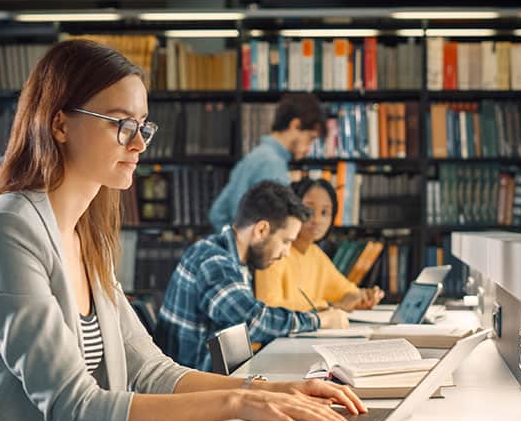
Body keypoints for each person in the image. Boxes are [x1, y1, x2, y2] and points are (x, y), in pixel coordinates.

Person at [0, 40, 365, 421]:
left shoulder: (87, 235)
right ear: (60, 124)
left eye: (143, 126)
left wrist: (268, 390)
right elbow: (74, 406)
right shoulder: (7, 231)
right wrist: (239, 402)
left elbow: (151, 371)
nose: (138, 143)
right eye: (122, 124)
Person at [158, 180, 350, 372]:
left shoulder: (234, 260)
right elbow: (252, 321)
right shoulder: (213, 261)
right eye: (285, 241)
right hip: (194, 391)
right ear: (261, 230)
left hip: (216, 382)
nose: (286, 252)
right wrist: (319, 320)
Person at [255, 177, 384, 311]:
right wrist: (328, 306)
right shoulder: (273, 252)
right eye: (309, 210)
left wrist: (363, 297)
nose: (317, 220)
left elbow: (347, 291)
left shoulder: (315, 254)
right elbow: (268, 307)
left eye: (324, 213)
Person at [207, 93, 325, 230]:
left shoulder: (257, 156)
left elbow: (217, 213)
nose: (309, 149)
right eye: (310, 138)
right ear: (295, 125)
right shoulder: (272, 164)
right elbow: (275, 229)